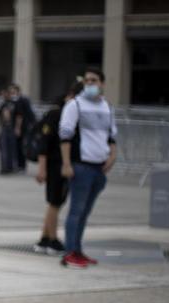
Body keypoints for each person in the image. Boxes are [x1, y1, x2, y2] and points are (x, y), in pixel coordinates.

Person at [58, 67, 117, 269]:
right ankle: (70, 253)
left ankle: (78, 250)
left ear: (102, 83)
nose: (90, 84)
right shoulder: (75, 105)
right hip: (81, 166)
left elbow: (112, 135)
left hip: (99, 168)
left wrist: (112, 156)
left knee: (85, 212)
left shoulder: (106, 107)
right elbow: (65, 135)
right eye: (87, 80)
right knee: (76, 210)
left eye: (94, 80)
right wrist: (66, 163)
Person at [33, 82, 82, 255]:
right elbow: (44, 144)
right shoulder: (57, 114)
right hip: (56, 165)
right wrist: (42, 168)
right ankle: (52, 240)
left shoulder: (61, 114)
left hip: (56, 164)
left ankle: (45, 238)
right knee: (55, 202)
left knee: (55, 203)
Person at [8, 83, 35, 173]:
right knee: (18, 147)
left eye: (13, 92)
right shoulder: (20, 100)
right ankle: (20, 165)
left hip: (22, 128)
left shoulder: (21, 101)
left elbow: (20, 116)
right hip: (22, 127)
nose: (12, 94)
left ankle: (21, 166)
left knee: (20, 147)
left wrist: (17, 128)